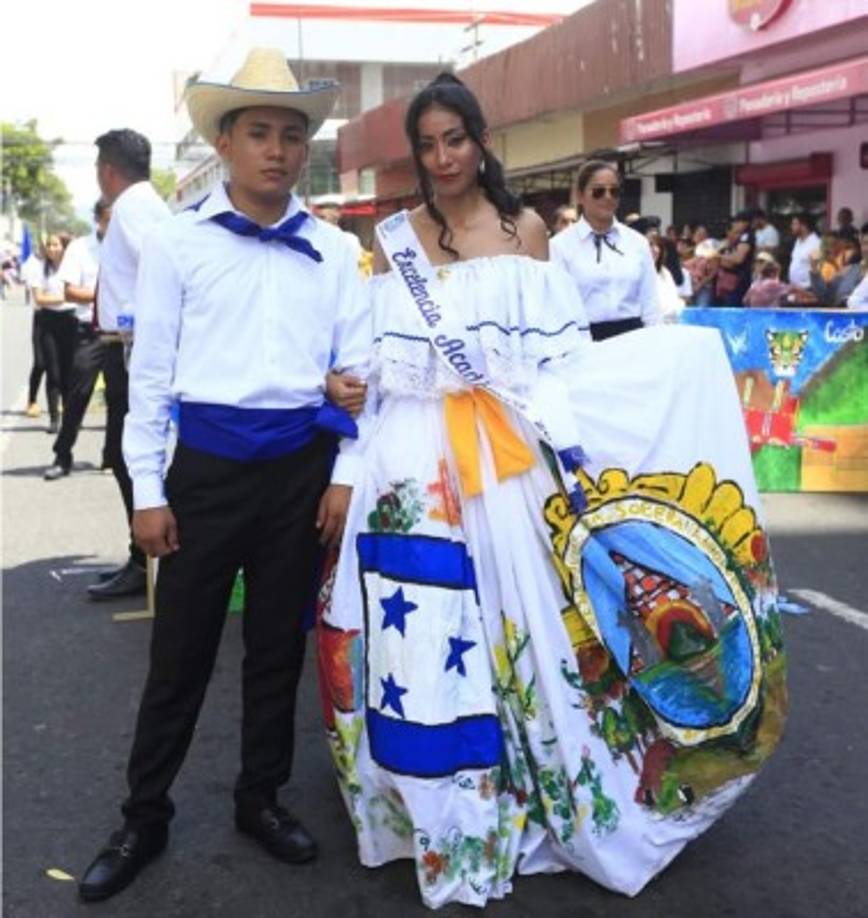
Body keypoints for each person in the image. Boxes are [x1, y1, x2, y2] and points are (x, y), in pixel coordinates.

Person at [321, 73, 786, 910]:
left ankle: (516, 795)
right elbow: (371, 369)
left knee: (514, 633)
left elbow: (561, 369)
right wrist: (345, 394)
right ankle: (429, 815)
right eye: (425, 145)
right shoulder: (392, 240)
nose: (441, 158)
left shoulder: (525, 231)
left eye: (453, 139)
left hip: (502, 468)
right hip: (408, 467)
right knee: (417, 641)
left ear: (479, 136)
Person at [77, 47, 369, 904]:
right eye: (258, 134)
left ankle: (260, 797)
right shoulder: (178, 244)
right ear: (226, 143)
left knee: (276, 649)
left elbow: (355, 375)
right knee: (180, 656)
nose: (277, 150)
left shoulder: (334, 250)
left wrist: (343, 473)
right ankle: (144, 815)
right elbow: (152, 380)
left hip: (298, 473)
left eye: (290, 135)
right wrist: (151, 491)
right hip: (204, 474)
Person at [85, 129, 171, 601]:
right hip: (131, 345)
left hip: (138, 349)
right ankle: (145, 557)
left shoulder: (133, 209)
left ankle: (145, 559)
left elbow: (161, 267)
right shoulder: (142, 205)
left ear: (106, 170)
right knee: (127, 453)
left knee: (130, 455)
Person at [551, 160, 660, 339]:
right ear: (580, 196)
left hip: (634, 340)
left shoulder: (637, 242)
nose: (607, 197)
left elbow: (651, 304)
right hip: (583, 342)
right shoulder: (560, 246)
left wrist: (654, 341)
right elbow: (557, 307)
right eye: (598, 191)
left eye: (614, 191)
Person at [43, 200, 112, 480]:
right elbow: (70, 293)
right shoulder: (80, 248)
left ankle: (112, 457)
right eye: (110, 219)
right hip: (90, 332)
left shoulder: (134, 244)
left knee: (120, 400)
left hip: (125, 334)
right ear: (98, 219)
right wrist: (110, 294)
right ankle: (63, 455)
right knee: (78, 395)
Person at [27, 233, 74, 434]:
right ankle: (54, 418)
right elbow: (39, 299)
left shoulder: (72, 267)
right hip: (47, 321)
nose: (52, 248)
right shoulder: (39, 268)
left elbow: (81, 292)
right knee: (51, 371)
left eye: (56, 244)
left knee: (68, 372)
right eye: (49, 244)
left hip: (70, 321)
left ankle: (70, 416)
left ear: (65, 247)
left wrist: (59, 298)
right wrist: (65, 297)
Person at [812, 225, 868, 308]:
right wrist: (814, 269)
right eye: (864, 243)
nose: (866, 248)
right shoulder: (850, 270)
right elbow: (826, 298)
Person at [21, 243, 46, 417]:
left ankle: (60, 400)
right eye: (47, 245)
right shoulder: (33, 264)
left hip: (63, 316)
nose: (51, 249)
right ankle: (31, 400)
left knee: (60, 363)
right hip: (42, 316)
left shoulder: (63, 264)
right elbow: (36, 296)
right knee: (40, 363)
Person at [714, 211, 755, 306]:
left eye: (737, 222)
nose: (735, 225)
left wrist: (718, 256)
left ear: (745, 223)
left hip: (739, 279)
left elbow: (738, 259)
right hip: (727, 282)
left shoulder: (747, 236)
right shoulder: (734, 241)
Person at [649, 235, 686, 321]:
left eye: (656, 245)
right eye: (650, 245)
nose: (654, 249)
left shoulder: (665, 272)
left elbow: (674, 299)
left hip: (669, 323)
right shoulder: (637, 273)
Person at [787, 213, 821, 289]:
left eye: (794, 224)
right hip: (794, 287)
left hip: (808, 288)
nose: (791, 227)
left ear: (804, 225)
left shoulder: (815, 243)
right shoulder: (797, 241)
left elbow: (816, 267)